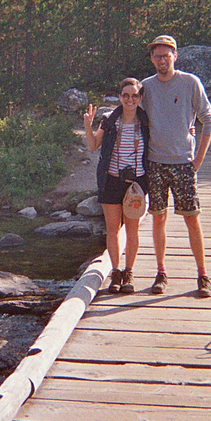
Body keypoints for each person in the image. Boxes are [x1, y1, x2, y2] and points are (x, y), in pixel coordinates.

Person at [141, 35, 211, 297]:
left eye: (166, 55)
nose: (162, 60)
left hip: (183, 163)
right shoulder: (146, 87)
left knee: (192, 220)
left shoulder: (190, 83)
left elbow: (209, 119)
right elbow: (132, 116)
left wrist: (199, 159)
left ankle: (203, 274)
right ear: (152, 59)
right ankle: (161, 273)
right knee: (158, 218)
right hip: (155, 163)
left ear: (175, 56)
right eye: (157, 56)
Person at [83, 78, 151, 294]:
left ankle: (128, 272)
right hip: (111, 180)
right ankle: (115, 272)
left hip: (136, 183)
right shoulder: (109, 121)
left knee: (132, 230)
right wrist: (88, 125)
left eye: (134, 96)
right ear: (120, 97)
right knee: (112, 230)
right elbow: (94, 146)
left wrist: (189, 132)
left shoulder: (147, 122)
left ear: (140, 98)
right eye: (125, 95)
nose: (130, 100)